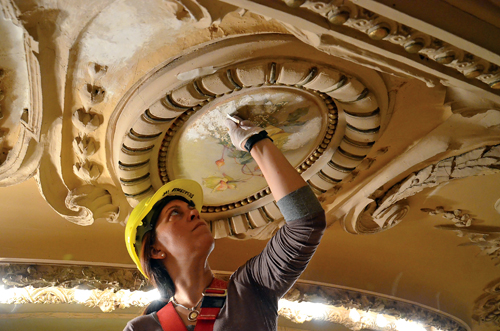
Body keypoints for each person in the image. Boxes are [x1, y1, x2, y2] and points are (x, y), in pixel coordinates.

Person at [124, 117, 326, 331]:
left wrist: (255, 142)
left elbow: (305, 224)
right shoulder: (141, 328)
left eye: (190, 209)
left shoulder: (252, 288)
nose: (194, 212)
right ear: (155, 250)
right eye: (174, 213)